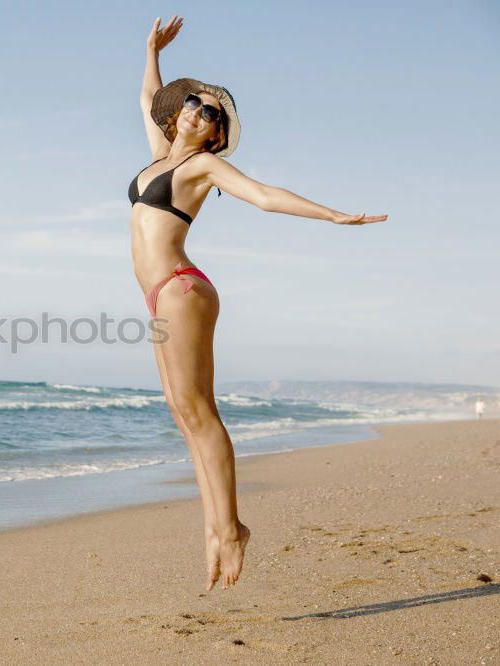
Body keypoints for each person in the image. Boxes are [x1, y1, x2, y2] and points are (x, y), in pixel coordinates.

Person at [131, 15, 388, 592]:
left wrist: (334, 215)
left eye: (212, 114)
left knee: (199, 411)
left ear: (216, 134)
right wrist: (150, 51)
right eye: (195, 105)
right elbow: (150, 96)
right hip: (159, 294)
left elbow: (265, 197)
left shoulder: (200, 166)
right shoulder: (159, 157)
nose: (201, 112)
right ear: (178, 117)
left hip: (182, 287)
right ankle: (214, 527)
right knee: (183, 413)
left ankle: (230, 528)